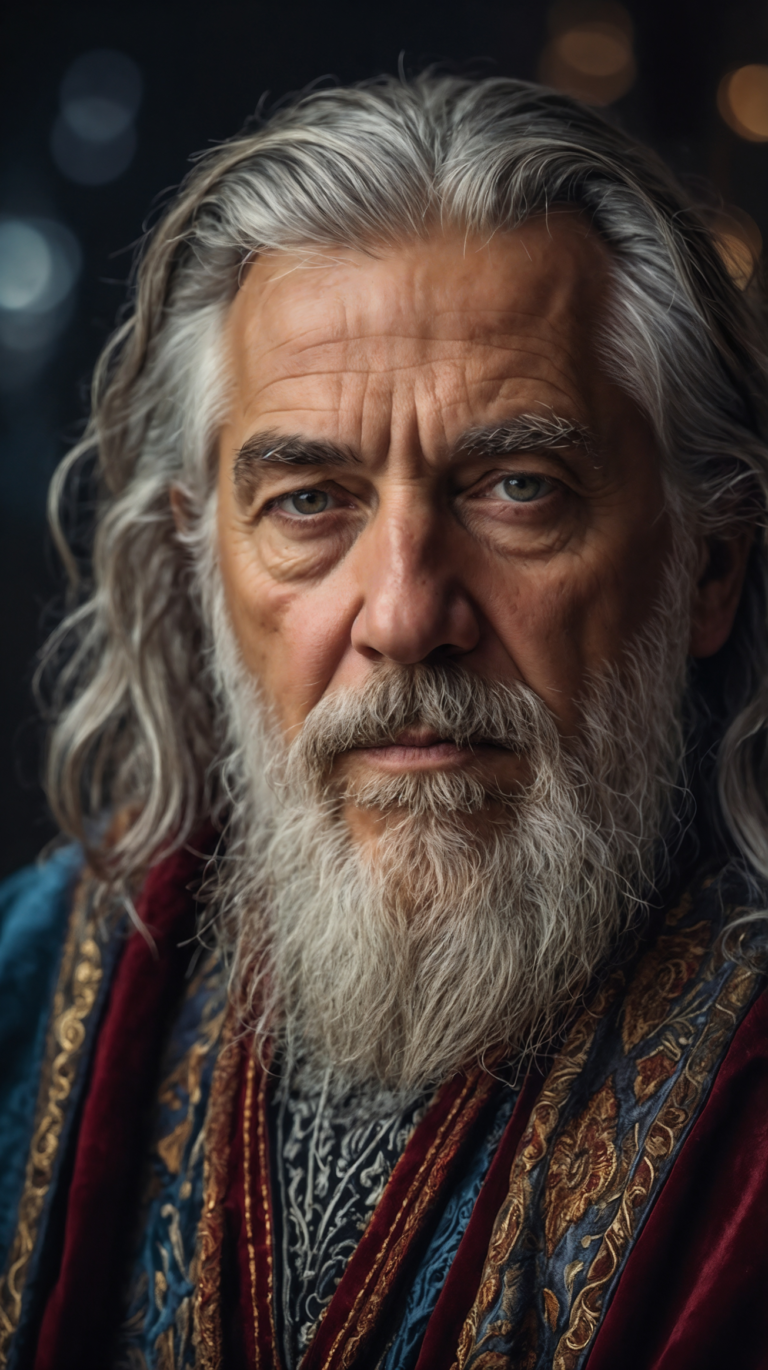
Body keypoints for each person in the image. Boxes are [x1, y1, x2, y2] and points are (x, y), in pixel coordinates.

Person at [1, 72, 768, 1370]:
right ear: (200, 567)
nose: (406, 612)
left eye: (519, 486)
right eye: (309, 500)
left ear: (709, 565)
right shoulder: (33, 988)